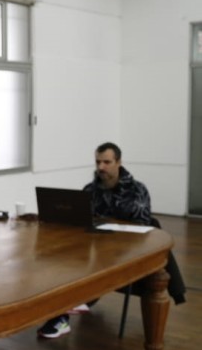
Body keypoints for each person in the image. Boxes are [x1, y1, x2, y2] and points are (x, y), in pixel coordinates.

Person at [37, 142, 188, 339]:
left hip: (127, 251)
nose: (101, 167)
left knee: (92, 272)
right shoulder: (90, 190)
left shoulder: (137, 190)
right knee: (67, 264)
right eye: (98, 162)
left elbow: (143, 228)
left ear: (119, 162)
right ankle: (61, 313)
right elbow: (83, 222)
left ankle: (64, 314)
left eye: (106, 162)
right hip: (97, 249)